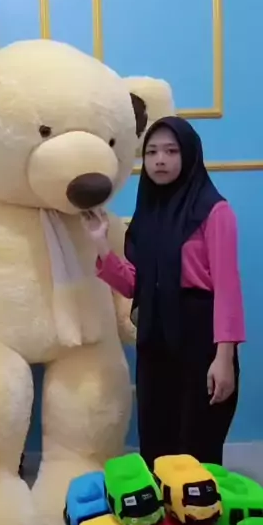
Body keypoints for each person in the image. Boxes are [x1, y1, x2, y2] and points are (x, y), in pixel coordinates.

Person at [81, 116, 245, 468]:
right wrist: (101, 245)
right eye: (152, 152)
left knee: (196, 447)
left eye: (171, 151)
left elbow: (227, 289)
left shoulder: (214, 212)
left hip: (199, 337)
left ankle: (198, 505)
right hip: (155, 338)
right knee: (157, 443)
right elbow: (135, 286)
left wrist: (224, 357)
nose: (160, 160)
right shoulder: (147, 214)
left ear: (189, 155)